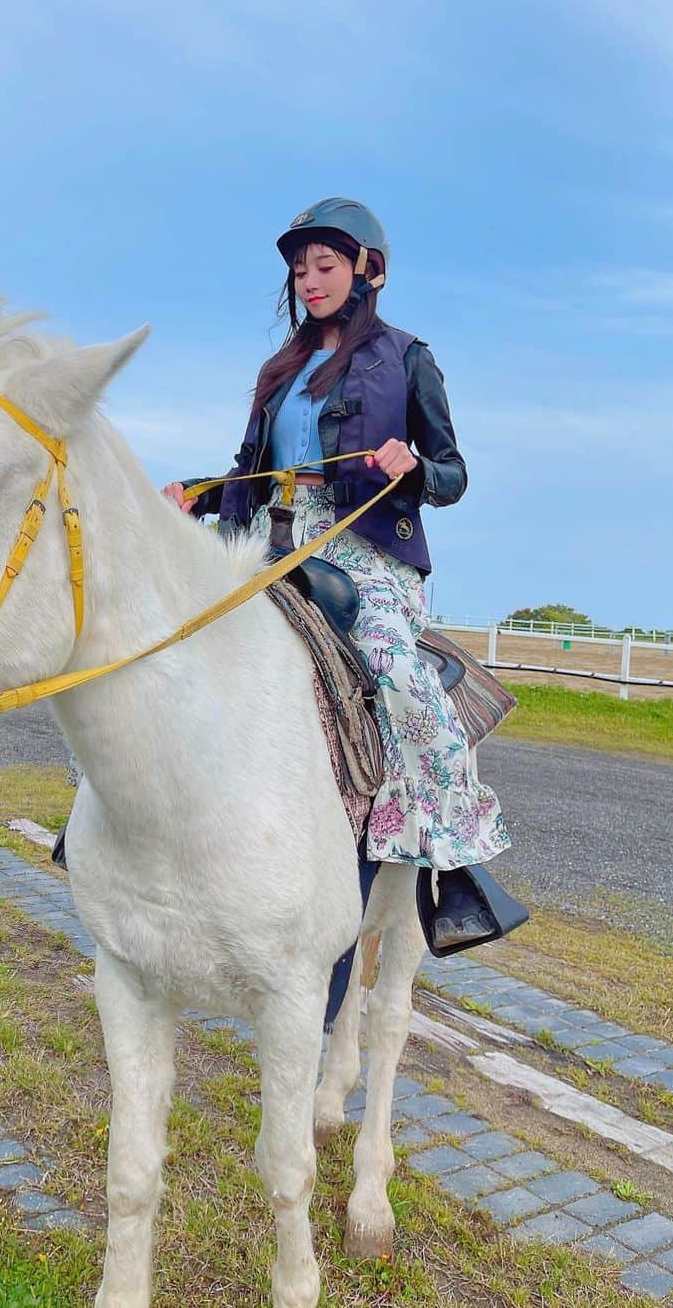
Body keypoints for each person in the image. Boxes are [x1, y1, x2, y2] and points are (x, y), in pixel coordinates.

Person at [162, 197, 513, 950]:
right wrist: (195, 497)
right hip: (267, 534)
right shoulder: (278, 370)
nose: (309, 280)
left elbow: (453, 473)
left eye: (324, 265)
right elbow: (249, 472)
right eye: (299, 269)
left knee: (396, 666)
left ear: (368, 270)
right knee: (167, 634)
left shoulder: (408, 358)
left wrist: (413, 465)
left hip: (361, 543)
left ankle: (451, 864)